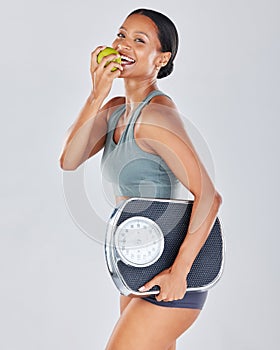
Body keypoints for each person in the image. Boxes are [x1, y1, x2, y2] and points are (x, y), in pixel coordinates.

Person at [59, 8, 222, 350]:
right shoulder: (116, 109)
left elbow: (209, 195)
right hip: (139, 266)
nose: (123, 45)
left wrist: (179, 273)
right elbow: (69, 159)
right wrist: (96, 93)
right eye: (121, 35)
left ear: (161, 59)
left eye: (139, 40)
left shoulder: (156, 116)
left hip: (173, 271)